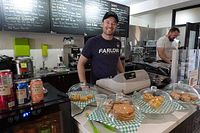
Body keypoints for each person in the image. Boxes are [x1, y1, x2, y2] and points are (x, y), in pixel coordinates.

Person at [77, 11, 125, 85]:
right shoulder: (92, 42)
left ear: (116, 26)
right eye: (107, 22)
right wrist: (83, 85)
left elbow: (117, 59)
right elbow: (80, 63)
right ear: (102, 24)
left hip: (114, 84)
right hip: (97, 86)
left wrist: (124, 75)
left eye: (113, 23)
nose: (110, 26)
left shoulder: (117, 43)